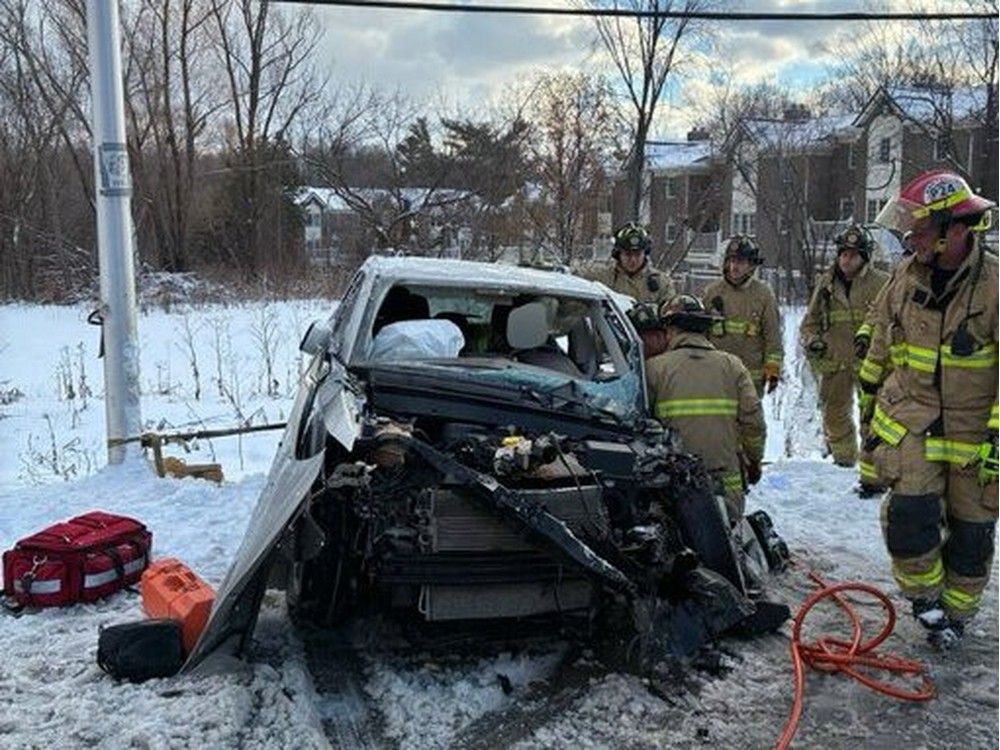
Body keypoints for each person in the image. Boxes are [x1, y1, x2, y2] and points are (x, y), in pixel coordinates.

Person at [859, 169, 997, 650]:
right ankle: (926, 603)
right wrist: (869, 393)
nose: (910, 237)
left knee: (971, 537)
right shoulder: (905, 275)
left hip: (974, 435)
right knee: (908, 519)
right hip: (913, 419)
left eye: (918, 228)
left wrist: (996, 438)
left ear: (954, 230)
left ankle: (956, 616)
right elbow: (882, 335)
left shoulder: (994, 286)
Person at [645, 294, 766, 523]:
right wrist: (754, 461)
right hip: (726, 487)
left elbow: (641, 428)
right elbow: (754, 422)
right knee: (728, 540)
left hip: (674, 487)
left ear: (669, 329)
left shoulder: (654, 369)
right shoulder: (733, 366)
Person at [799, 224, 889, 482]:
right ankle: (843, 463)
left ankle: (872, 468)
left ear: (865, 257)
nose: (847, 260)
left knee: (873, 415)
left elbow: (892, 322)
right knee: (834, 414)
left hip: (870, 363)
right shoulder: (826, 284)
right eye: (843, 254)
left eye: (853, 255)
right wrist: (813, 341)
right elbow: (810, 322)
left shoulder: (882, 284)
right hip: (835, 362)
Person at [704, 236, 783, 396]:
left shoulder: (763, 295)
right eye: (731, 261)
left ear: (751, 265)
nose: (734, 266)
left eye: (740, 262)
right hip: (718, 377)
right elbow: (701, 335)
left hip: (751, 379)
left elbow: (772, 337)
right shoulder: (712, 293)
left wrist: (773, 370)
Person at [576, 222, 675, 305]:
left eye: (638, 255)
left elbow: (671, 314)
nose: (633, 260)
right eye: (628, 254)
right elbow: (573, 278)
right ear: (618, 254)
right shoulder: (601, 276)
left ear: (645, 254)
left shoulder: (662, 283)